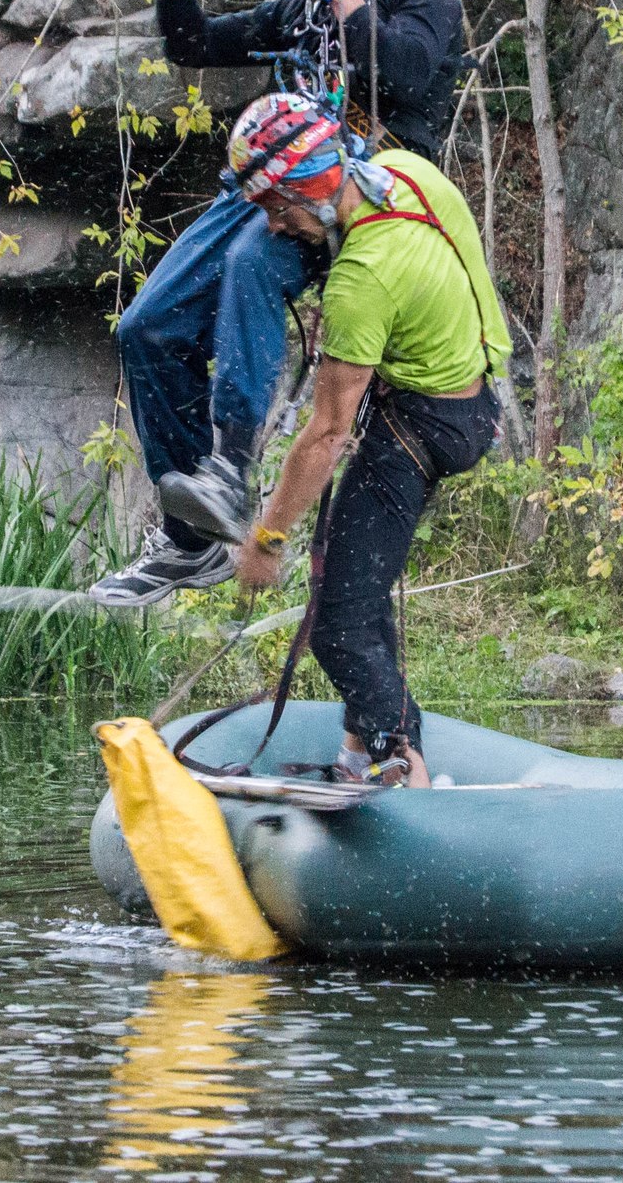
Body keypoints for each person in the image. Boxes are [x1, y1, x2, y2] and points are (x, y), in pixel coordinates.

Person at [91, 0, 467, 607]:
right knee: (145, 325)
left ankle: (232, 465)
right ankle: (189, 541)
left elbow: (410, 71)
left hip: (362, 183)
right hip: (269, 185)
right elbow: (191, 44)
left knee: (252, 265)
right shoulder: (295, 11)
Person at [224, 91, 511, 786]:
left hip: (421, 425)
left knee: (338, 624)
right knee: (359, 583)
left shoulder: (360, 282)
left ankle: (400, 762)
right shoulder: (409, 173)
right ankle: (361, 752)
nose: (273, 226)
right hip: (473, 397)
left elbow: (324, 435)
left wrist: (266, 540)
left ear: (316, 188)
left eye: (277, 207)